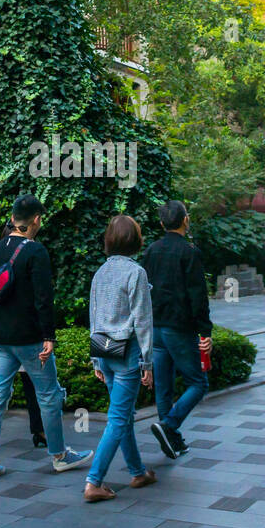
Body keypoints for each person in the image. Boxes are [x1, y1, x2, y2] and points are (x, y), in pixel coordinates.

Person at [0, 194, 92, 481]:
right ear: (36, 219)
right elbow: (44, 299)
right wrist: (48, 336)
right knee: (49, 395)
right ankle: (60, 455)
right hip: (29, 340)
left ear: (14, 218)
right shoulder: (36, 252)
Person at [83, 215, 158, 502]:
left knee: (122, 415)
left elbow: (94, 317)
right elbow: (142, 320)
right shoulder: (136, 272)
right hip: (127, 352)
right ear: (135, 240)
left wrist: (96, 361)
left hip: (104, 349)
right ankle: (93, 482)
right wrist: (147, 362)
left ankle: (138, 472)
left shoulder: (100, 272)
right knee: (117, 418)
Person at [144, 200, 213, 460]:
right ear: (186, 220)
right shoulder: (190, 252)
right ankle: (169, 426)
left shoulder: (151, 251)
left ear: (162, 224)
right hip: (179, 328)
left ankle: (172, 440)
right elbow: (198, 296)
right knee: (198, 383)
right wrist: (205, 331)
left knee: (163, 387)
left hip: (156, 327)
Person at [0, 222, 46, 452]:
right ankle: (42, 433)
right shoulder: (31, 254)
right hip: (23, 330)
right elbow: (40, 296)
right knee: (33, 383)